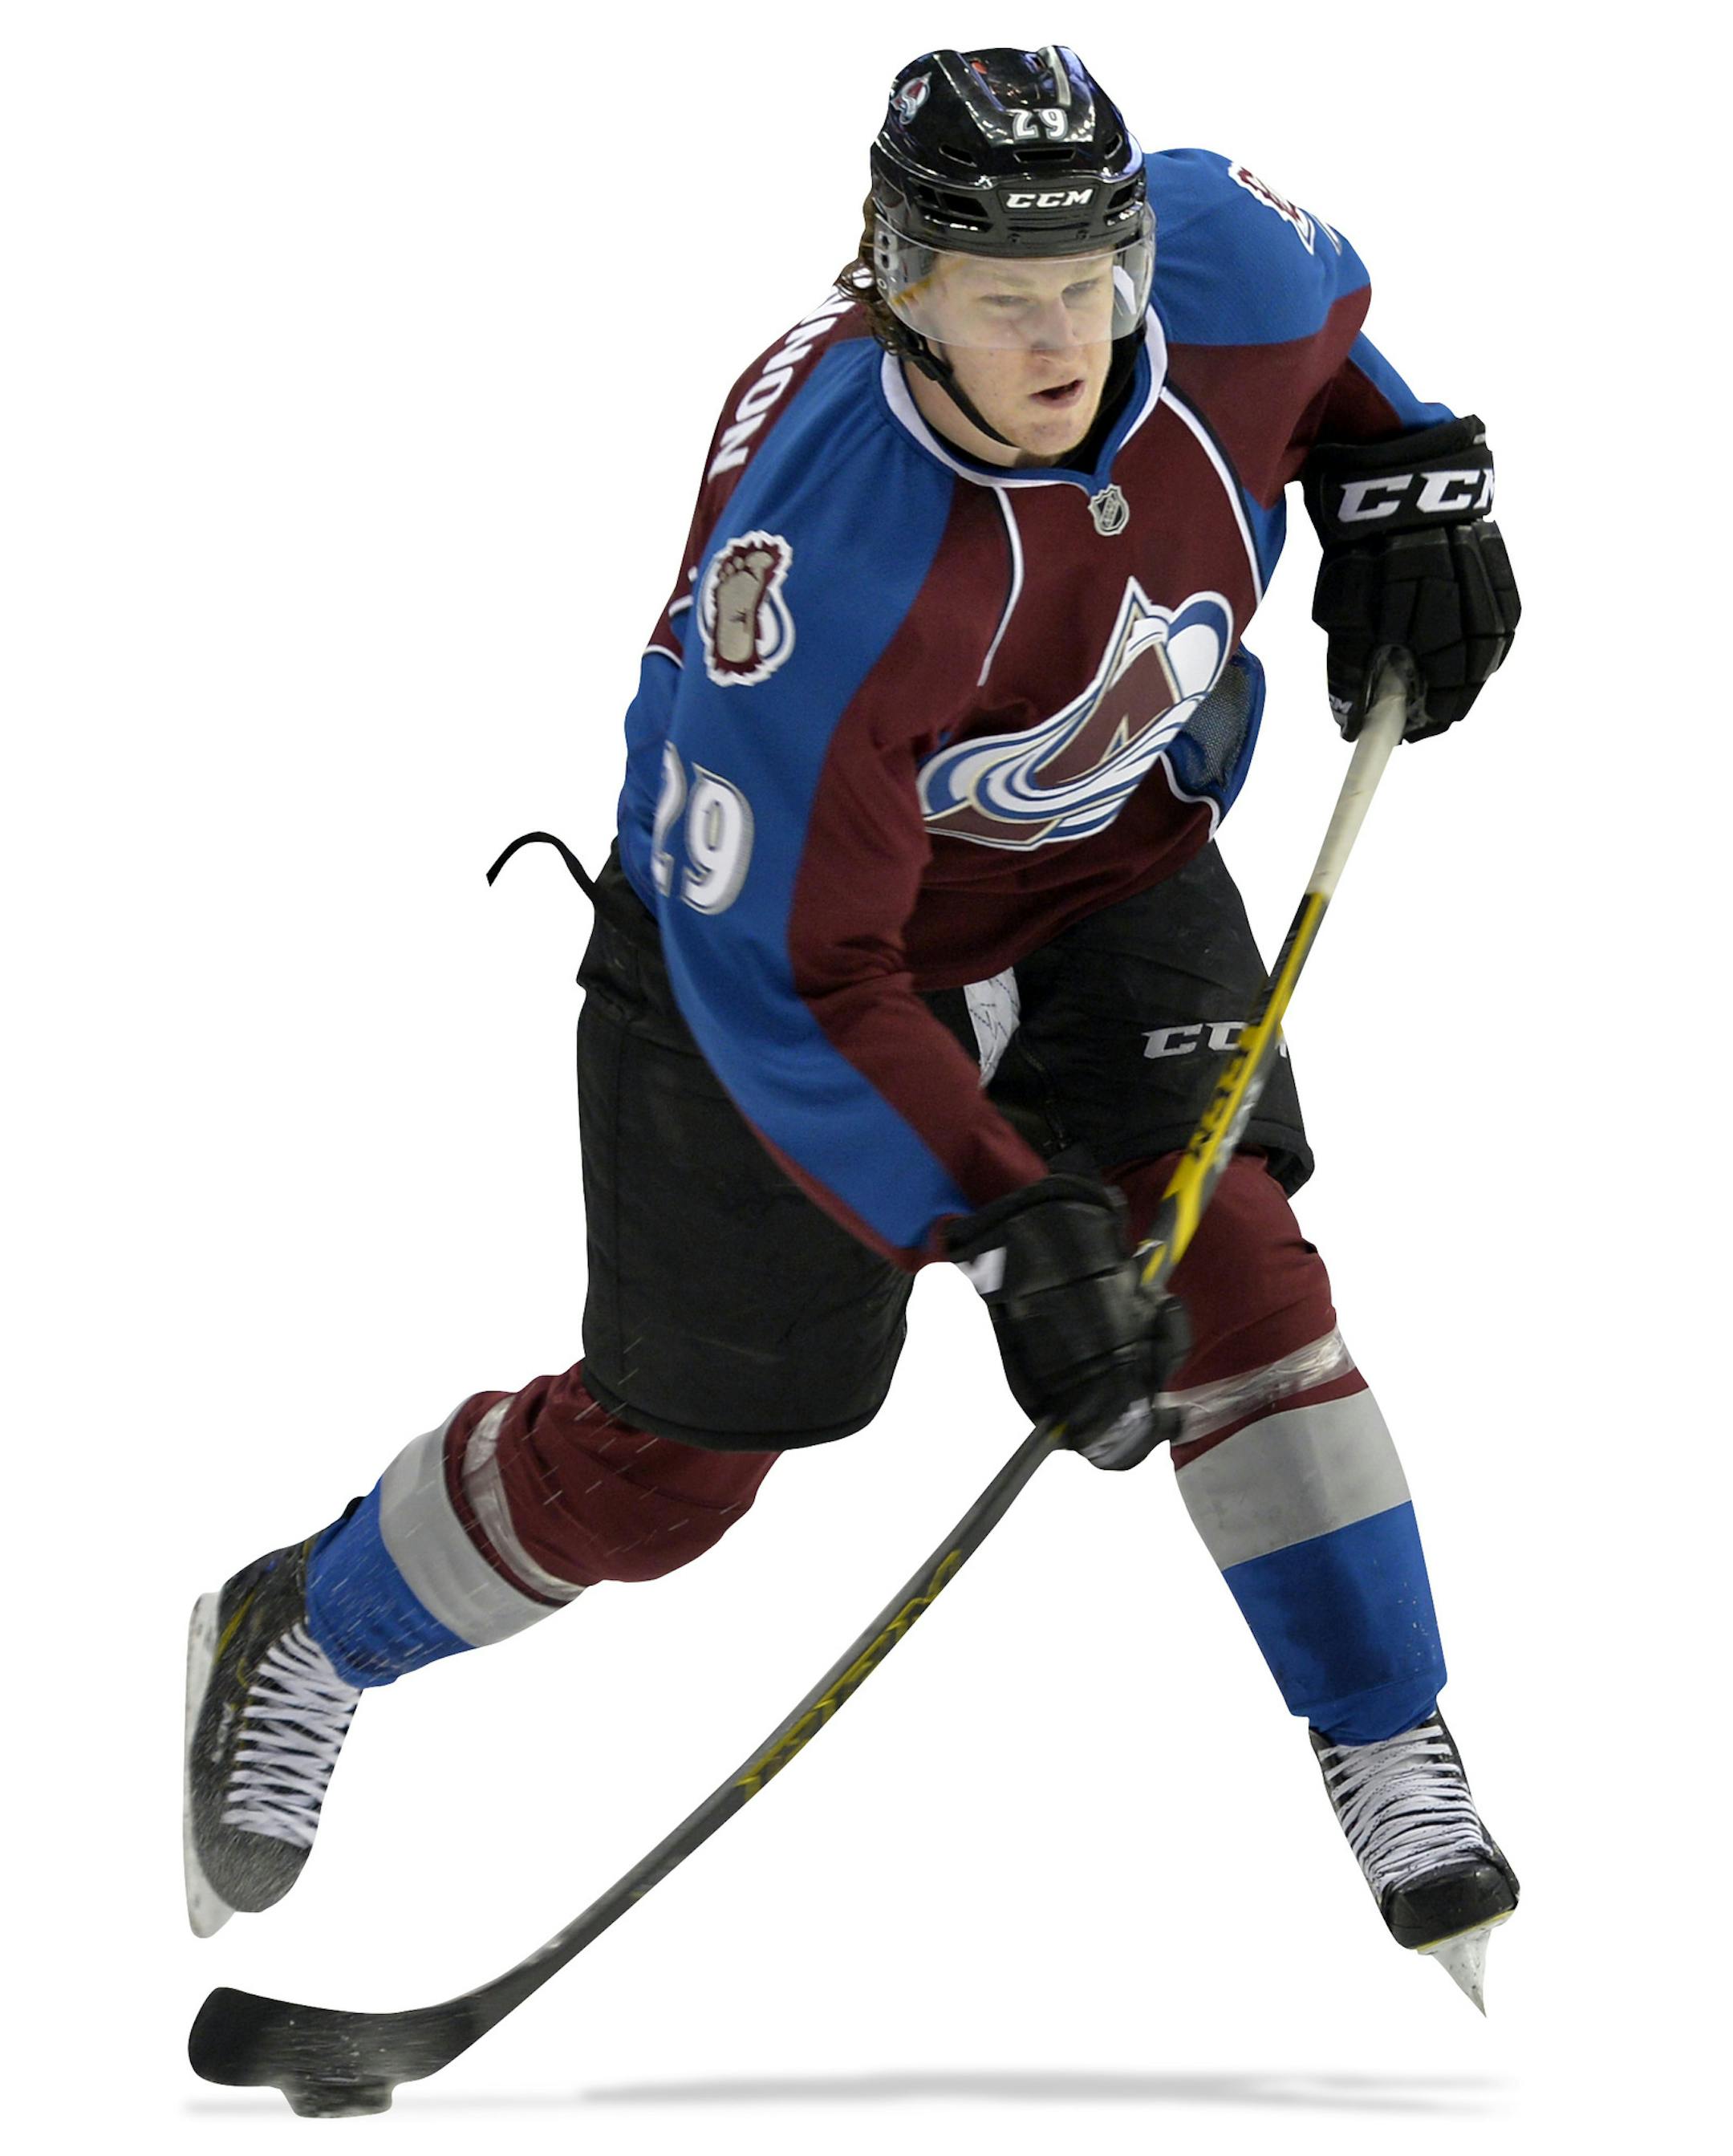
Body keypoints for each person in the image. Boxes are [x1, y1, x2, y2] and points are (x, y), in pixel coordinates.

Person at [185, 44, 1520, 2003]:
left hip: (1108, 879)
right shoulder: (814, 568)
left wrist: (1396, 481)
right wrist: (997, 1218)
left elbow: (1328, 365)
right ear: (896, 277)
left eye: (1090, 279)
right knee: (679, 1465)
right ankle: (304, 1629)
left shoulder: (1223, 256)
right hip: (783, 966)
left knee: (1234, 1269)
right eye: (1003, 297)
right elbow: (798, 976)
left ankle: (1387, 1730)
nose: (1063, 332)